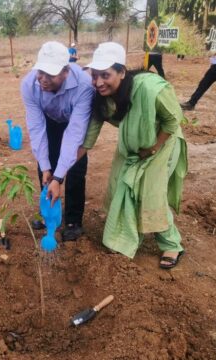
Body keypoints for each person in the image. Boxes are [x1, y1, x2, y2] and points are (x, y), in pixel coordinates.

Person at [80, 42, 188, 268]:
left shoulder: (149, 89)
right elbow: (89, 136)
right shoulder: (102, 96)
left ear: (122, 72)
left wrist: (153, 148)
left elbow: (172, 121)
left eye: (105, 75)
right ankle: (127, 236)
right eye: (95, 75)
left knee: (149, 192)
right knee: (122, 185)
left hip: (162, 142)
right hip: (132, 145)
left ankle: (171, 244)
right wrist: (62, 172)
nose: (98, 82)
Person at [21, 41, 95, 241]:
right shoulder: (29, 84)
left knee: (76, 168)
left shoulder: (84, 86)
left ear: (66, 71)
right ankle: (50, 217)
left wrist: (60, 177)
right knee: (45, 169)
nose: (43, 80)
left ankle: (72, 220)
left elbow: (75, 133)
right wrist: (47, 168)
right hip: (49, 120)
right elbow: (36, 128)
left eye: (50, 75)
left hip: (73, 121)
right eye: (40, 73)